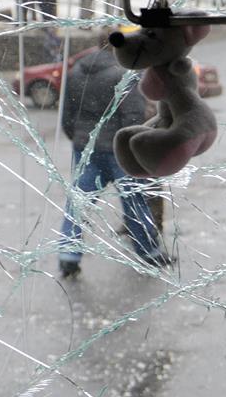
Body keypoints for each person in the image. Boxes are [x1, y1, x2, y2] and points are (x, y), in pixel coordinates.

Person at [57, 42, 162, 276]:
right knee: (134, 201)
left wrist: (79, 138)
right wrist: (134, 148)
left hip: (85, 148)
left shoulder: (74, 72)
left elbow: (66, 116)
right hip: (118, 150)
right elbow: (132, 116)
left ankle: (68, 256)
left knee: (78, 204)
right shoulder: (123, 74)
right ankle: (149, 252)